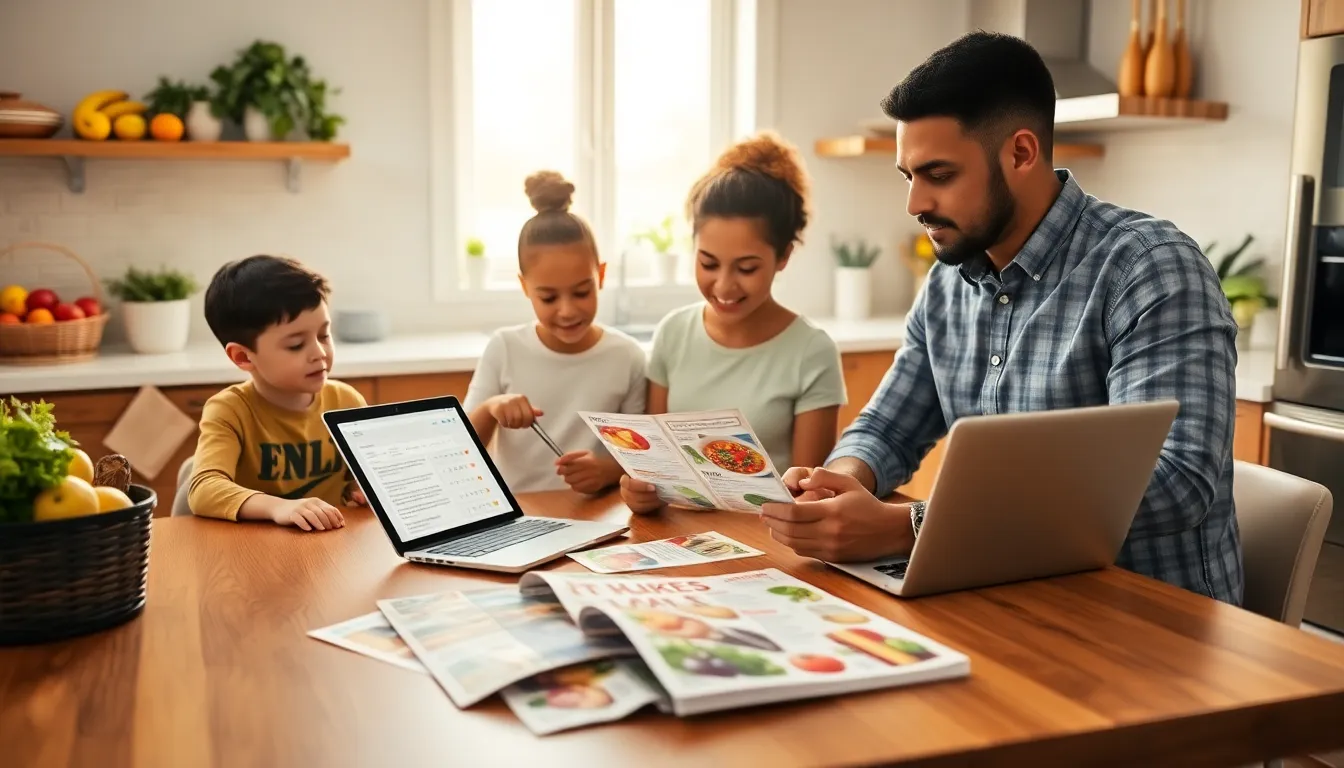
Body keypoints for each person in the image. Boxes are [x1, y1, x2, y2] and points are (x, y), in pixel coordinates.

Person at [761, 31, 1244, 605]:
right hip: (1014, 600)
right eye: (907, 176)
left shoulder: (1150, 268)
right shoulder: (948, 280)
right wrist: (838, 483)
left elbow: (1175, 481)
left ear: (1020, 153)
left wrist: (910, 525)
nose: (914, 203)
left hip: (1151, 625)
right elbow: (888, 427)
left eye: (938, 175)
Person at [621, 131, 847, 514]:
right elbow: (654, 467)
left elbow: (809, 492)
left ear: (784, 256)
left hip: (767, 537)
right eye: (708, 263)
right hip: (677, 536)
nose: (724, 286)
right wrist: (639, 492)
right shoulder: (673, 333)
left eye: (746, 268)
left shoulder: (812, 351)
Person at [464, 171, 647, 494]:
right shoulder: (504, 347)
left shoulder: (628, 356)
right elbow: (461, 449)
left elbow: (641, 457)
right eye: (548, 297)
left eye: (581, 292)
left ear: (601, 275)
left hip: (603, 518)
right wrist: (492, 407)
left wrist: (605, 471)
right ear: (524, 286)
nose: (567, 310)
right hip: (523, 520)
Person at [188, 255, 367, 531]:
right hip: (258, 551)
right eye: (296, 345)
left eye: (324, 335)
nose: (319, 353)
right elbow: (203, 490)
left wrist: (357, 489)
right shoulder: (229, 410)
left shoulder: (347, 402)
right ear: (243, 357)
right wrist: (280, 507)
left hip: (330, 549)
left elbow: (361, 477)